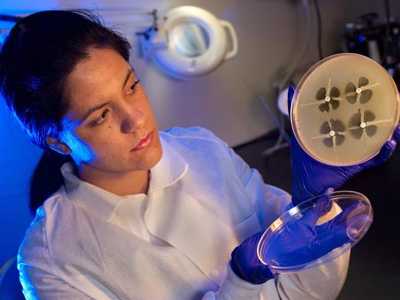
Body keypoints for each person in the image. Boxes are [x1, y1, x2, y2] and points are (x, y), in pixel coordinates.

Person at [0, 10, 399, 300]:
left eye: (132, 86)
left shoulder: (201, 149)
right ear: (57, 142)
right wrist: (242, 281)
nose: (135, 119)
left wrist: (313, 203)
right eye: (101, 115)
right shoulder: (51, 262)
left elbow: (309, 292)